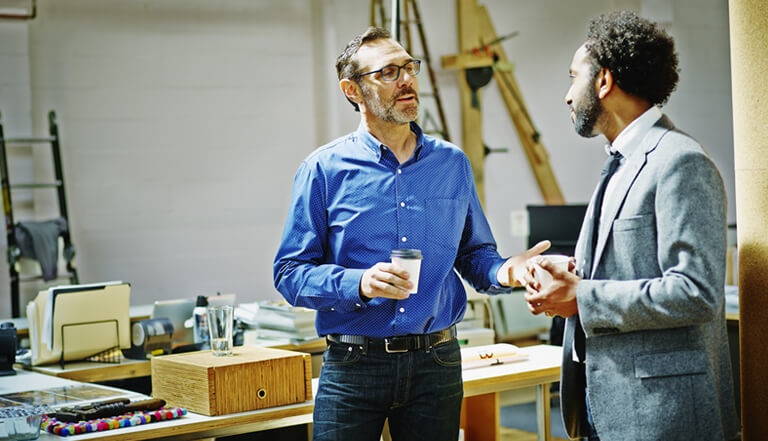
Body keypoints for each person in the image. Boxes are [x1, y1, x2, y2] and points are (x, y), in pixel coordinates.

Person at [273, 26, 548, 441]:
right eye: (387, 72)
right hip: (353, 364)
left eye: (409, 67)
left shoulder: (451, 164)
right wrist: (359, 282)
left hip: (435, 364)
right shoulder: (324, 170)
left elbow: (475, 255)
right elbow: (290, 273)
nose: (406, 80)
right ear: (353, 90)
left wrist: (507, 270)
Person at [522, 10, 739, 441]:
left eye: (573, 77)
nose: (568, 96)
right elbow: (625, 265)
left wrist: (582, 297)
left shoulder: (680, 162)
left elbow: (696, 293)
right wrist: (569, 275)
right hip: (608, 406)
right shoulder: (619, 163)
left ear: (603, 81)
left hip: (663, 415)